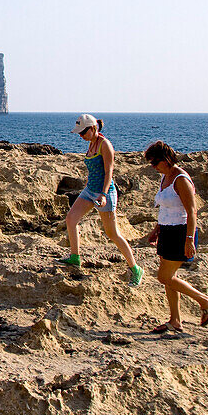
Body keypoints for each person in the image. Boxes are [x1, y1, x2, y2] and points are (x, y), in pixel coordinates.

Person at [58, 114, 144, 286]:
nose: (81, 136)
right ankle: (75, 257)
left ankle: (135, 269)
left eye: (83, 132)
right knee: (71, 219)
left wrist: (103, 195)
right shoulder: (91, 143)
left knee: (113, 234)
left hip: (104, 193)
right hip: (90, 191)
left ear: (93, 128)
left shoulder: (105, 145)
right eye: (79, 133)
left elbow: (109, 171)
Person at [144, 141, 208, 333]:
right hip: (166, 231)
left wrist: (190, 239)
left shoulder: (181, 179)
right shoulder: (165, 177)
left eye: (155, 163)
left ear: (166, 159)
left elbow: (192, 212)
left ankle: (205, 301)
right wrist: (156, 229)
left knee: (164, 277)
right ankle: (175, 320)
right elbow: (166, 208)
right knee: (170, 279)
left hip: (180, 232)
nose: (153, 168)